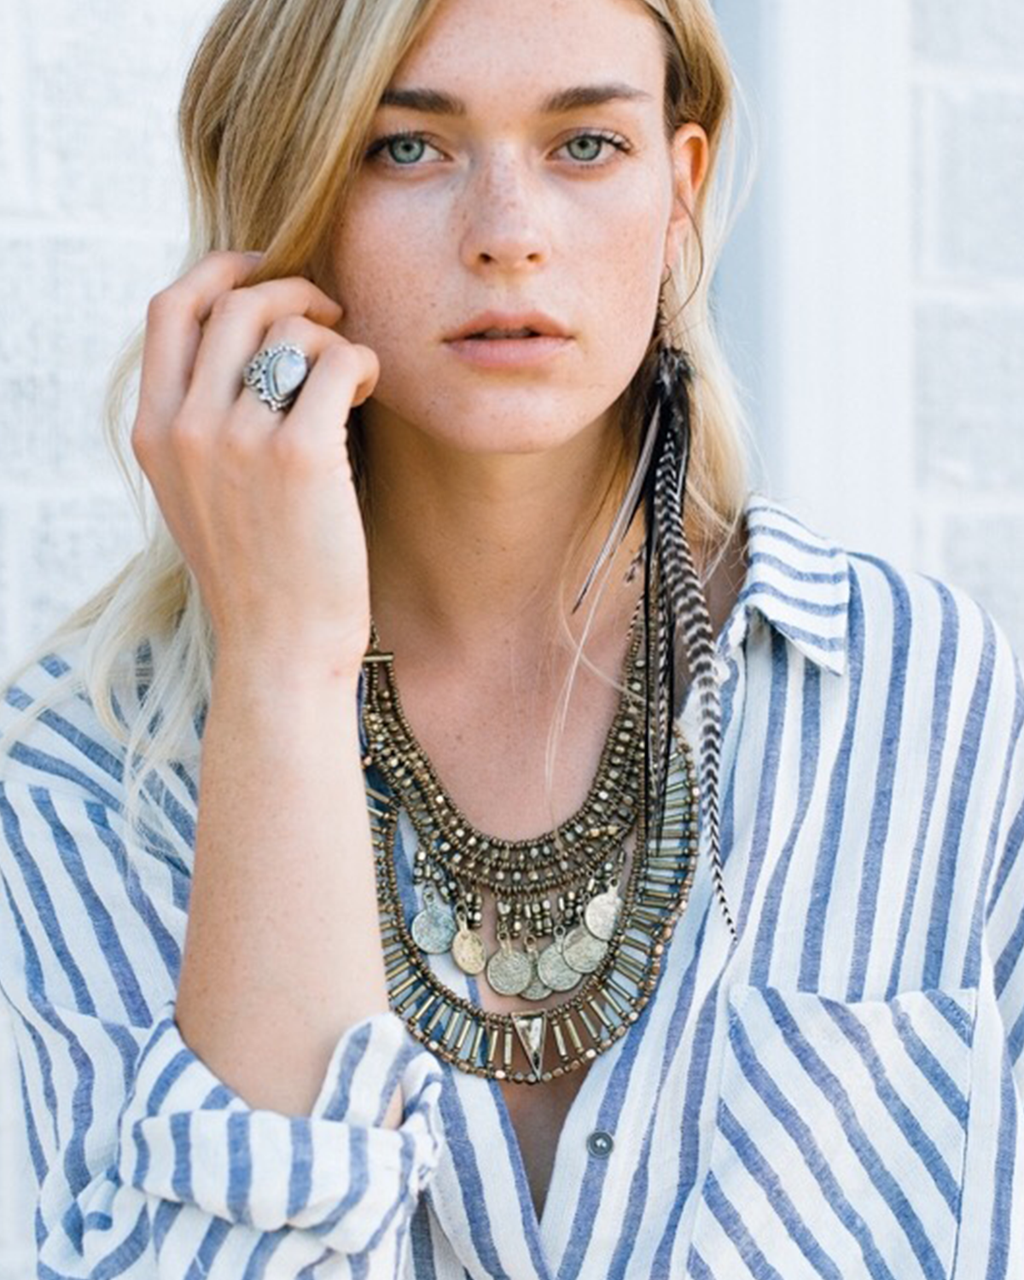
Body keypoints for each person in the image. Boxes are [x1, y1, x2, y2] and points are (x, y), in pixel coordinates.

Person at [1, 0, 1022, 1275]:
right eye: (405, 147)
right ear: (286, 191)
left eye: (585, 144)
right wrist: (283, 676)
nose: (508, 233)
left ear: (679, 191)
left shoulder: (924, 695)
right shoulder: (84, 774)